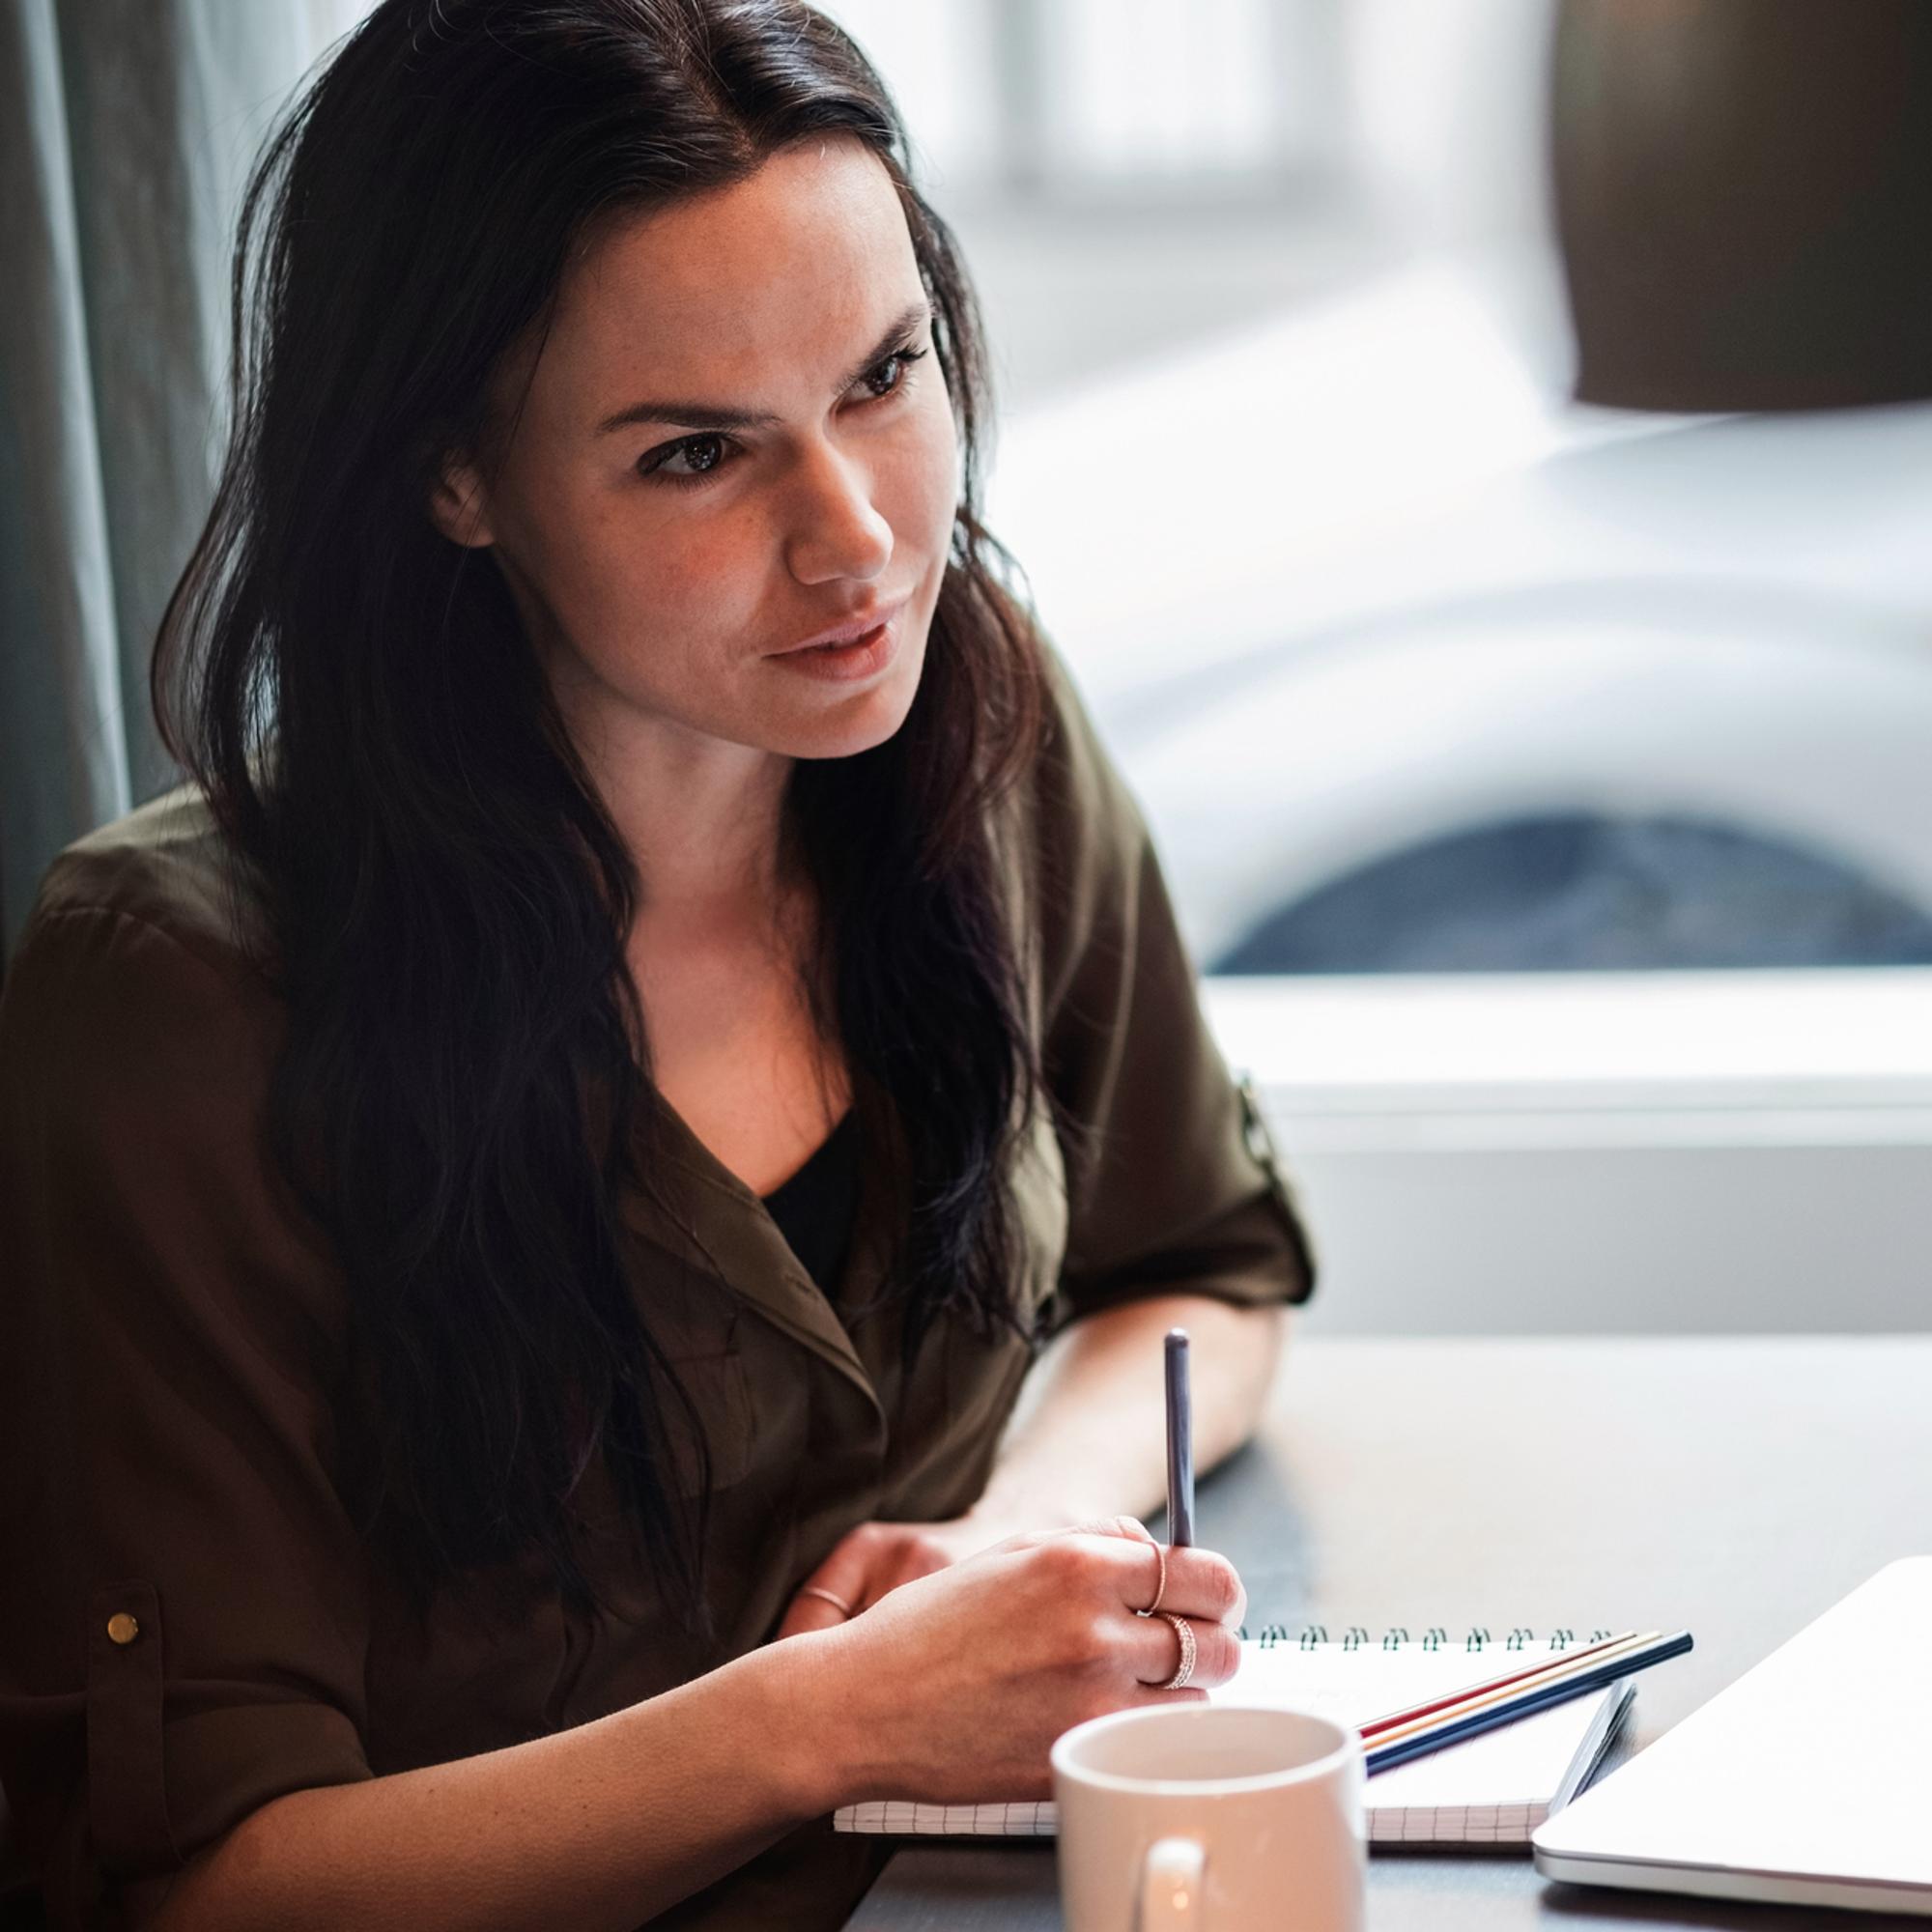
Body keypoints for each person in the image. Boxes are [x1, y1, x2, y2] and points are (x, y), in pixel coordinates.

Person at [0, 2, 1316, 1927]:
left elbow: (1196, 1267)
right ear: (457, 478)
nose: (858, 540)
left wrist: (1019, 1534)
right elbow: (205, 1884)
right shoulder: (168, 1001)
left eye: (886, 373)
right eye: (699, 453)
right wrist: (827, 1718)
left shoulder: (983, 731)